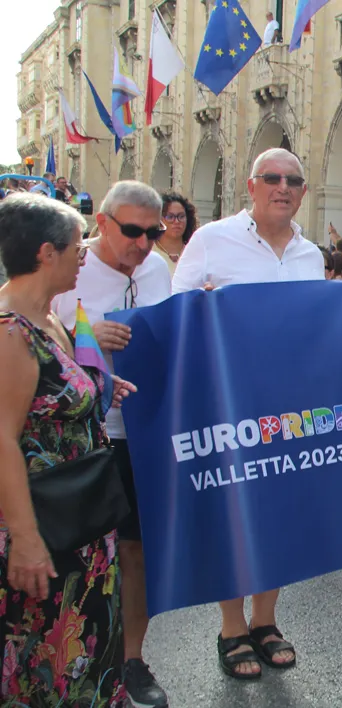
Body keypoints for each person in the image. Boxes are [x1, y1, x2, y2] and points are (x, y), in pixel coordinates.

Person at [173, 148, 322, 679]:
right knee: (233, 515)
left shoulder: (310, 255)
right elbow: (175, 313)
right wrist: (203, 305)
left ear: (303, 192)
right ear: (251, 184)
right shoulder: (211, 239)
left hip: (289, 407)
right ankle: (231, 627)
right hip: (229, 403)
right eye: (272, 178)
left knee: (278, 514)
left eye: (293, 180)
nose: (283, 187)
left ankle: (266, 621)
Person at [0, 193, 135, 707]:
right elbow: (3, 440)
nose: (85, 256)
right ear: (45, 252)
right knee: (47, 661)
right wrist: (26, 540)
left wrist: (101, 388)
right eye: (78, 247)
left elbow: (53, 396)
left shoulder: (50, 316)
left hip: (79, 523)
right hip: (44, 528)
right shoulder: (10, 332)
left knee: (87, 654)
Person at [51, 181, 172, 708]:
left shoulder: (159, 269)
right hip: (83, 438)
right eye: (132, 231)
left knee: (136, 550)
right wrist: (86, 341)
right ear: (101, 222)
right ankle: (69, 663)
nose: (143, 244)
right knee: (78, 556)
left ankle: (132, 660)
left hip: (145, 432)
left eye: (154, 233)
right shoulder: (66, 267)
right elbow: (28, 340)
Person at [156, 191, 197, 276]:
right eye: (170, 217)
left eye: (181, 216)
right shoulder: (147, 253)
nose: (177, 221)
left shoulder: (195, 252)